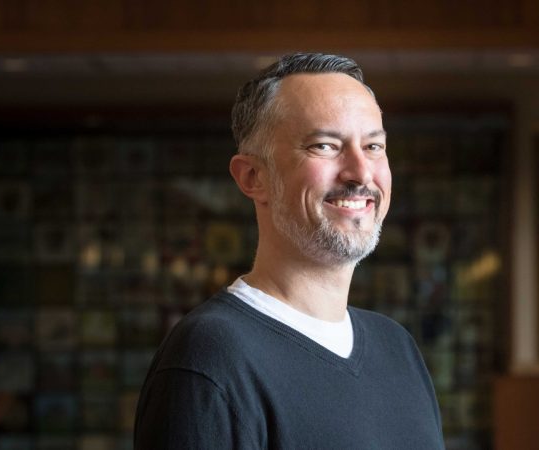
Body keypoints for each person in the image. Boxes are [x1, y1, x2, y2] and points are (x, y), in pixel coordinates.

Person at [134, 53, 445, 449]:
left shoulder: (396, 347)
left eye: (373, 146)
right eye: (325, 145)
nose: (360, 173)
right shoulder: (209, 358)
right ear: (253, 177)